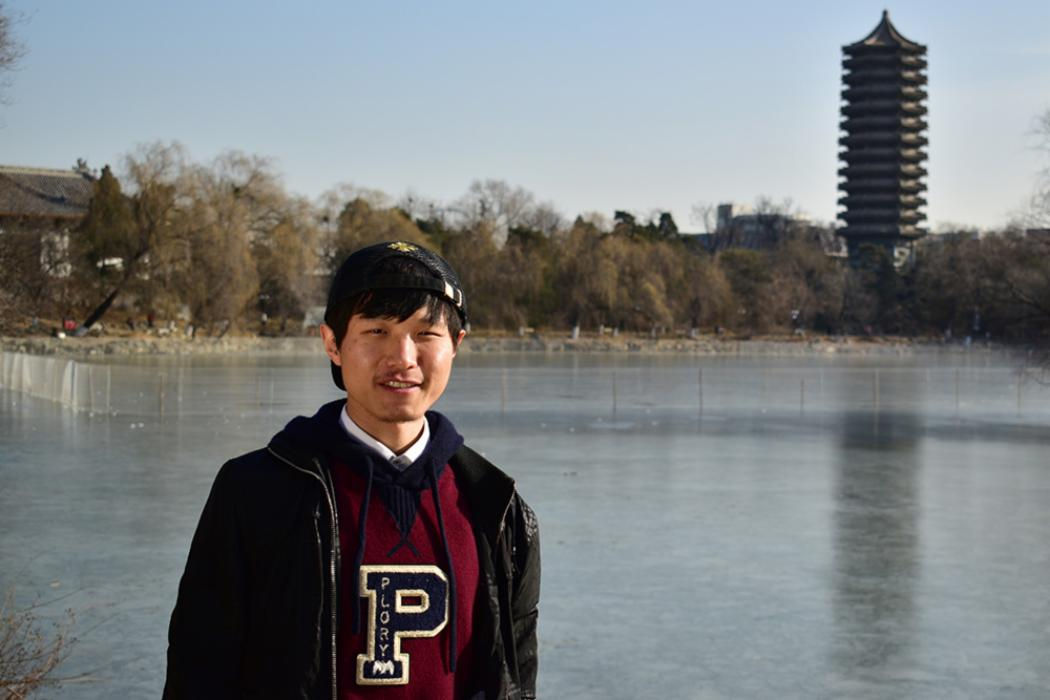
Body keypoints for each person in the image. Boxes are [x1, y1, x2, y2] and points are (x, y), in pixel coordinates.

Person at [164, 241, 540, 699]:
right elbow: (199, 673)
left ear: (456, 345)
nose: (402, 357)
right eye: (377, 331)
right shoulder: (255, 492)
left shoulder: (498, 508)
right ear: (332, 344)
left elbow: (516, 680)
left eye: (425, 334)